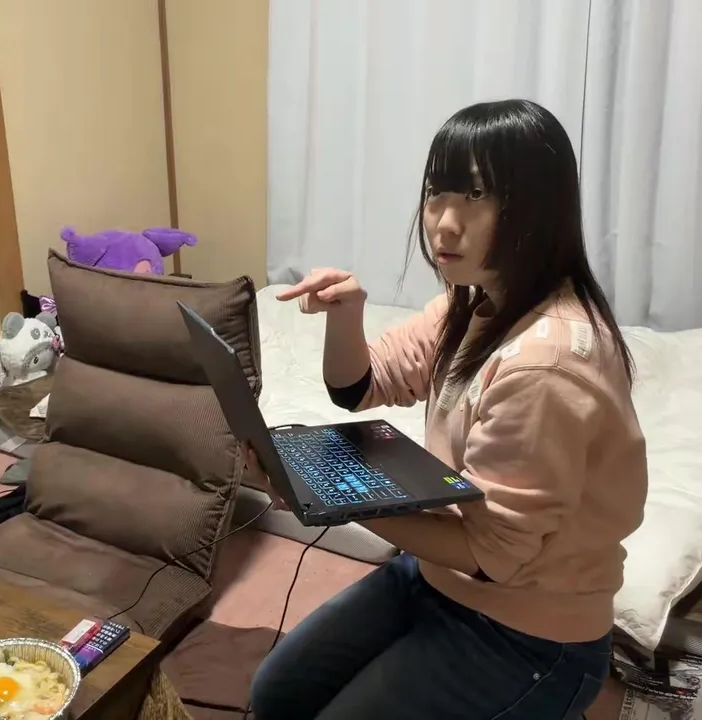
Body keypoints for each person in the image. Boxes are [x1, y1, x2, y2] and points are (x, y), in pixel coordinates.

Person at [245, 99, 648, 719]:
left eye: (478, 196)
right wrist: (347, 314)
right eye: (437, 193)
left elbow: (493, 557)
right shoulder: (475, 302)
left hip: (530, 632)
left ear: (538, 208)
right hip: (436, 579)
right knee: (276, 693)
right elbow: (362, 386)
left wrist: (324, 495)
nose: (445, 224)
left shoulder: (545, 364)